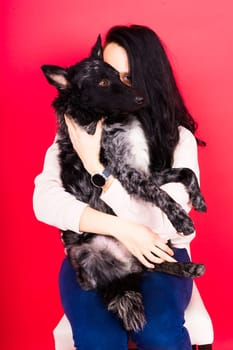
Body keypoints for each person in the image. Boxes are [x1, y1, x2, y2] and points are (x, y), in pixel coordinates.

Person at [33, 24, 205, 350]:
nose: (114, 86)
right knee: (98, 339)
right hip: (94, 253)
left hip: (160, 252)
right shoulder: (78, 131)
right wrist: (120, 228)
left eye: (126, 77)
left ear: (148, 79)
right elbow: (44, 200)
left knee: (159, 333)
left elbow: (163, 223)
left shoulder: (177, 138)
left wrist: (96, 168)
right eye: (108, 76)